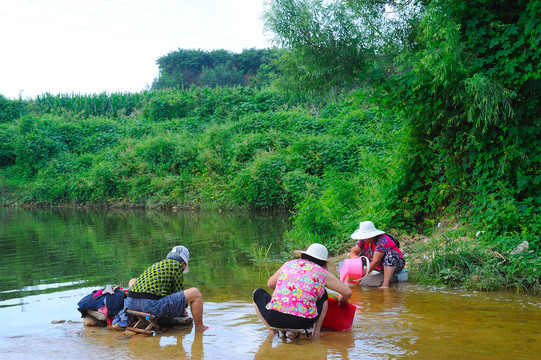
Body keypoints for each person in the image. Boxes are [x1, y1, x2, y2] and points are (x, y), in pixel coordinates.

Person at [253, 243, 352, 339]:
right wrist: (343, 298)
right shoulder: (322, 273)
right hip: (303, 322)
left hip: (273, 318)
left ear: (304, 255)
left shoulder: (289, 264)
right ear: (323, 262)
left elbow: (270, 284)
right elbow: (348, 292)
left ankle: (271, 330)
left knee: (257, 293)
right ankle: (316, 333)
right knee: (323, 294)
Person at [126, 245, 208, 332]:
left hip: (131, 304)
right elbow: (178, 292)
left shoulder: (158, 264)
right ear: (183, 263)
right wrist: (183, 310)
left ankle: (141, 321)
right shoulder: (177, 265)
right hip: (150, 305)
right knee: (195, 293)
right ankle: (200, 327)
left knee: (133, 280)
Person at [348, 221, 405, 288]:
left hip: (396, 265)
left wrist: (362, 275)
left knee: (390, 255)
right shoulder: (363, 240)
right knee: (359, 256)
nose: (365, 239)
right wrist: (354, 257)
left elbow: (375, 262)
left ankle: (385, 284)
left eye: (367, 237)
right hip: (379, 267)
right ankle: (358, 281)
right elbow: (353, 251)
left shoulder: (382, 240)